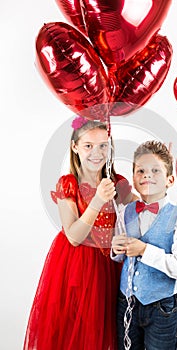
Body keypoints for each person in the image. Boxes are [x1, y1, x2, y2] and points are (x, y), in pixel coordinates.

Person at [23, 116, 136, 350]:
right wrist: (96, 201)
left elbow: (144, 208)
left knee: (106, 332)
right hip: (77, 269)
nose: (97, 152)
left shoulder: (117, 183)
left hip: (110, 267)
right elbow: (73, 236)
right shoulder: (68, 184)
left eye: (103, 145)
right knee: (75, 332)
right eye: (88, 146)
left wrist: (158, 175)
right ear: (75, 147)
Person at [112, 141, 177, 350]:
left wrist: (144, 250)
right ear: (133, 178)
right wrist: (116, 248)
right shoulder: (125, 212)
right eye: (140, 170)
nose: (146, 175)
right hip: (127, 304)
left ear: (170, 180)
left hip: (162, 308)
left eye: (155, 170)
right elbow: (120, 257)